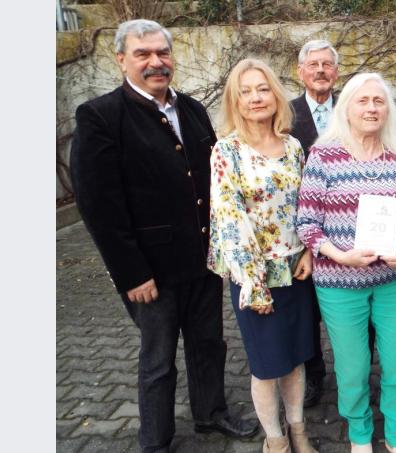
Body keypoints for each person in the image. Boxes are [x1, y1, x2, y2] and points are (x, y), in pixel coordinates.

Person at [69, 19, 258, 453]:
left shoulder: (191, 109)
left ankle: (210, 413)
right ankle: (155, 440)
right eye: (143, 54)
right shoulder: (100, 116)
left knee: (208, 343)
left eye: (162, 53)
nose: (156, 62)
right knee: (158, 360)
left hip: (202, 258)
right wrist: (131, 273)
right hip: (150, 270)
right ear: (121, 60)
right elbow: (99, 205)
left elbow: (216, 182)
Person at [296, 73, 396, 453]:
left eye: (379, 101)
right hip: (338, 284)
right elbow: (306, 223)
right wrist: (340, 255)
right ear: (346, 108)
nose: (371, 108)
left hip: (394, 279)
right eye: (362, 100)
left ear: (388, 109)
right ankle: (359, 434)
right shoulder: (322, 156)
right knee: (352, 370)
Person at [207, 58, 318, 453]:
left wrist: (308, 250)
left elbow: (306, 206)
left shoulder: (292, 147)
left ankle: (299, 430)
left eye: (263, 88)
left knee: (295, 359)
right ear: (235, 101)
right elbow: (230, 221)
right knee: (266, 365)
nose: (256, 98)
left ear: (276, 94)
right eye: (246, 91)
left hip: (296, 270)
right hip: (254, 276)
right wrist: (254, 284)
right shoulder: (226, 151)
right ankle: (275, 440)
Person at [289, 38, 340, 408]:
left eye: (327, 64)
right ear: (300, 72)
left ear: (336, 72)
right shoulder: (285, 114)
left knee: (353, 307)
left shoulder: (353, 109)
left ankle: (356, 371)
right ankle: (314, 375)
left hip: (346, 229)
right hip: (300, 229)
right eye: (313, 64)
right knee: (307, 312)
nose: (320, 70)